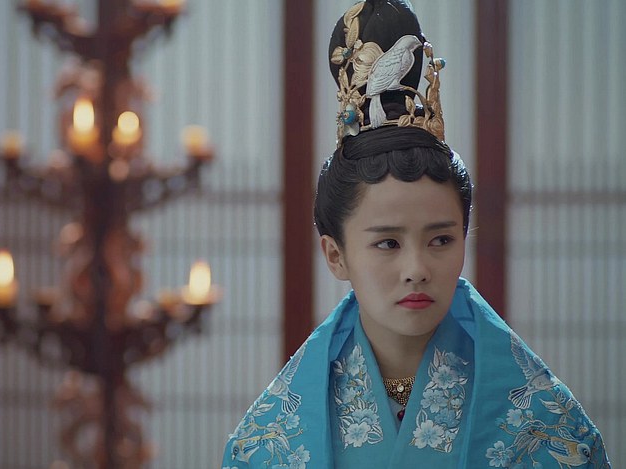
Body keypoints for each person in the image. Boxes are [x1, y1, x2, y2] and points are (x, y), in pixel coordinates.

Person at [221, 1, 610, 467]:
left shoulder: (542, 428)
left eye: (441, 240)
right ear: (336, 255)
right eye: (388, 243)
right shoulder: (270, 444)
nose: (417, 269)